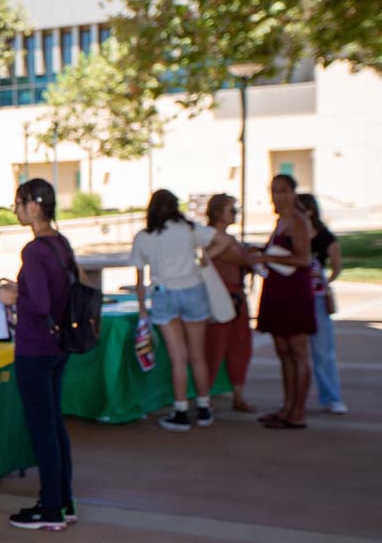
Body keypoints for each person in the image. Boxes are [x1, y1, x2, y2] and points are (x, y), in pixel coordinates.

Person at [0, 178, 76, 531]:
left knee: (42, 427)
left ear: (34, 206)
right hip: (59, 345)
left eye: (18, 203)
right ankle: (63, 501)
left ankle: (49, 507)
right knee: (55, 423)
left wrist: (15, 298)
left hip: (35, 347)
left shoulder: (34, 250)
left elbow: (39, 303)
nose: (16, 210)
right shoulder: (60, 244)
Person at [131, 189, 232, 431]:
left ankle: (181, 411)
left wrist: (143, 311)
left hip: (164, 294)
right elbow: (224, 240)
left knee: (179, 358)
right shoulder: (188, 228)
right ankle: (205, 409)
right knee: (198, 355)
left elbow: (138, 277)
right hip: (193, 289)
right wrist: (204, 262)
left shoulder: (143, 237)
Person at [254, 174, 317, 429]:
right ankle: (287, 407)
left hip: (294, 293)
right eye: (273, 190)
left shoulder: (298, 220)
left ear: (293, 192)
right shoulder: (281, 220)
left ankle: (298, 412)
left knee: (298, 352)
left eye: (282, 190)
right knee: (283, 352)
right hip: (277, 290)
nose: (277, 196)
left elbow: (303, 259)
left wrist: (266, 259)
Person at [202, 194, 256, 412]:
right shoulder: (215, 239)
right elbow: (242, 258)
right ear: (218, 213)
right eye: (231, 210)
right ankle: (207, 398)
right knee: (214, 348)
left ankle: (237, 395)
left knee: (239, 345)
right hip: (219, 299)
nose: (235, 215)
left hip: (236, 298)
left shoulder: (223, 239)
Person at [296, 192, 347, 414]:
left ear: (310, 210)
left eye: (300, 208)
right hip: (293, 297)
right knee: (295, 352)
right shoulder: (290, 233)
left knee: (323, 350)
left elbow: (336, 267)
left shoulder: (326, 237)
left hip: (316, 298)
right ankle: (295, 399)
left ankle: (332, 397)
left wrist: (324, 283)